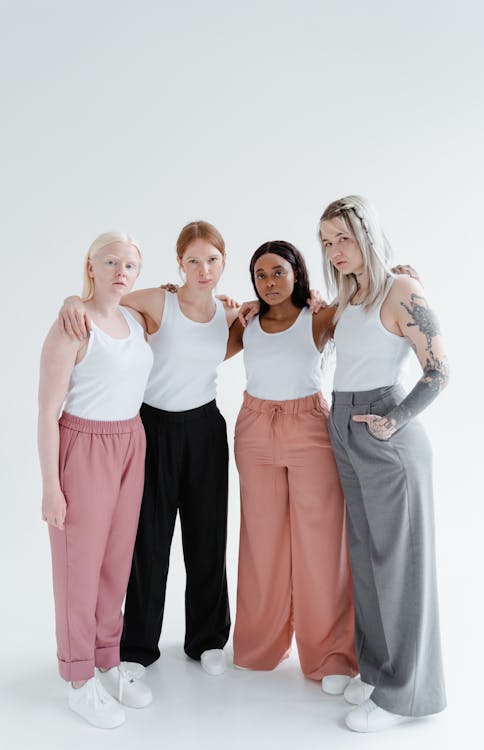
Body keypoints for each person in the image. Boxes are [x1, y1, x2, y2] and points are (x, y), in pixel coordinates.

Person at [58, 221, 238, 677]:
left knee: (207, 536)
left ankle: (208, 639)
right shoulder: (159, 301)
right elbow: (102, 303)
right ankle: (136, 646)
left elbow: (227, 348)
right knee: (147, 542)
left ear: (223, 263)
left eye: (212, 260)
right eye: (193, 260)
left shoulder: (229, 313)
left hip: (205, 428)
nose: (203, 269)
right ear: (179, 263)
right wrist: (69, 301)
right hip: (153, 427)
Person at [319, 195, 448, 732]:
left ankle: (405, 696)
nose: (335, 251)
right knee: (367, 558)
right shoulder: (349, 295)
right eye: (326, 242)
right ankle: (376, 670)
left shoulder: (402, 290)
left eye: (344, 238)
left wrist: (393, 422)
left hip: (383, 429)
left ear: (367, 234)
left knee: (401, 564)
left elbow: (439, 370)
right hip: (345, 427)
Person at [225, 241, 357, 692]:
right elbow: (197, 345)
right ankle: (260, 645)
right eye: (261, 275)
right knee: (262, 541)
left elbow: (364, 307)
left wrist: (400, 274)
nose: (270, 282)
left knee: (320, 543)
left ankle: (330, 656)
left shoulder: (318, 317)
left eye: (278, 272)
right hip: (255, 429)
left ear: (297, 273)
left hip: (309, 430)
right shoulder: (246, 323)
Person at [38, 232, 154, 728]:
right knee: (78, 569)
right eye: (109, 261)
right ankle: (78, 678)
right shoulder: (72, 325)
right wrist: (50, 487)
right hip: (83, 446)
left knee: (115, 563)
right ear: (91, 265)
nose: (120, 271)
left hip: (132, 439)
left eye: (129, 264)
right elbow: (46, 411)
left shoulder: (135, 318)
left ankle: (108, 659)